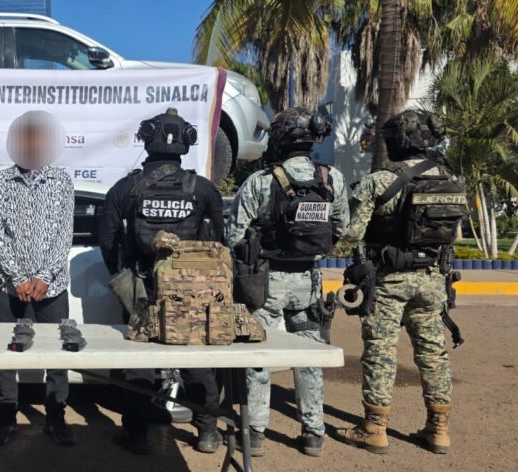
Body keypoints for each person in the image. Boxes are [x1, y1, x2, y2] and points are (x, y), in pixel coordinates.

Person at [334, 110, 462, 455]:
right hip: (432, 279)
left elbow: (351, 235)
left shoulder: (379, 180)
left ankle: (374, 428)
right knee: (433, 353)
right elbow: (451, 234)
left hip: (388, 281)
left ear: (399, 141)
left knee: (380, 352)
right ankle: (439, 429)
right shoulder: (449, 178)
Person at [99, 108, 226, 455]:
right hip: (192, 290)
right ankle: (207, 432)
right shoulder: (203, 189)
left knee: (139, 361)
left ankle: (137, 434)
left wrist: (124, 274)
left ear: (146, 139)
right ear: (186, 141)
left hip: (141, 286)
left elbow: (107, 240)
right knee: (197, 359)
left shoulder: (126, 188)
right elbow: (219, 241)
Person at [226, 108, 348, 457]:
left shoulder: (261, 181)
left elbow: (233, 236)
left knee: (259, 354)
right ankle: (313, 433)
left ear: (280, 138)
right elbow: (342, 228)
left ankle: (256, 433)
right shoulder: (331, 178)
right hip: (309, 281)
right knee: (309, 354)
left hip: (266, 281)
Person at [0, 110, 76, 446]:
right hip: (11, 286)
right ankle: (6, 416)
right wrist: (18, 276)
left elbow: (63, 234)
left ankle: (56, 416)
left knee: (57, 352)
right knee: (6, 351)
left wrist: (43, 275)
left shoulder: (61, 181)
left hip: (52, 287)